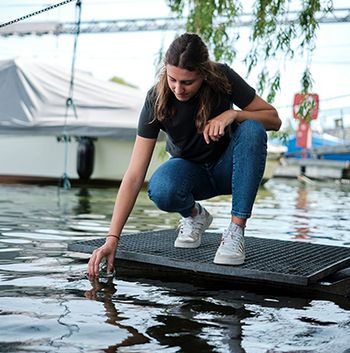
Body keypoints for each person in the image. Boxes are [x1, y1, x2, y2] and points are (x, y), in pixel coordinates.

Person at [87, 33, 281, 278]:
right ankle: (195, 216)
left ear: (203, 74)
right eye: (172, 79)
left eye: (187, 82)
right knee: (160, 188)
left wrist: (233, 115)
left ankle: (235, 232)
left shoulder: (222, 77)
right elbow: (135, 174)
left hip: (230, 169)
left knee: (253, 128)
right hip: (191, 174)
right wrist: (112, 238)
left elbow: (274, 119)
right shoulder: (155, 98)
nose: (178, 88)